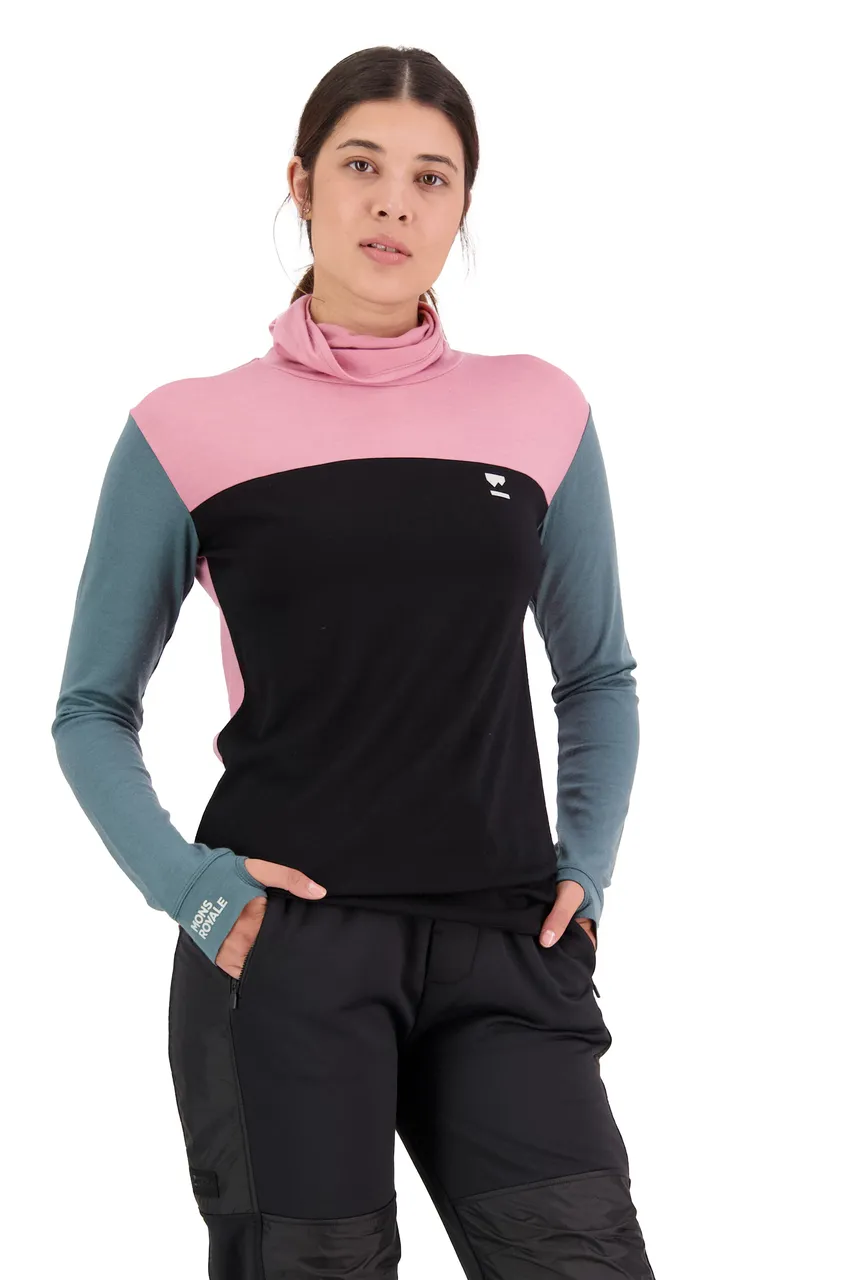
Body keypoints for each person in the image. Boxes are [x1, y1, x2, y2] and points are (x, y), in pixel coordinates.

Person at [51, 44, 655, 1280]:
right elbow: (91, 706)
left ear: (463, 206)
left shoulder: (540, 410)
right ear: (302, 184)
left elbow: (595, 675)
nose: (394, 203)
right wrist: (189, 886)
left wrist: (585, 871)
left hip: (506, 941)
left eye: (431, 177)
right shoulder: (185, 426)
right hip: (285, 947)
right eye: (362, 166)